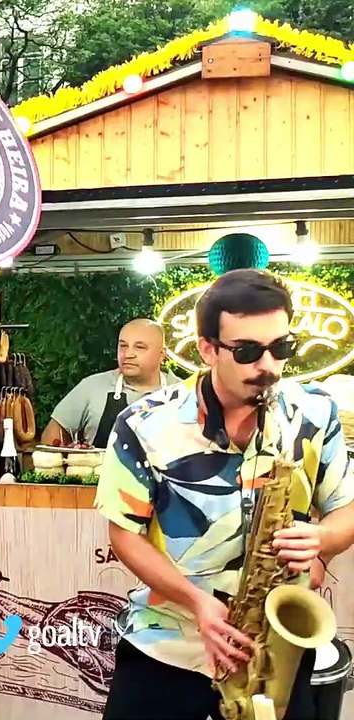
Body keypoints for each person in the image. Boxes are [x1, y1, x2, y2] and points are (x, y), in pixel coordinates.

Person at [97, 269, 354, 719]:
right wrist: (198, 602)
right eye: (248, 351)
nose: (269, 366)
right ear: (208, 349)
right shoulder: (143, 424)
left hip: (277, 656)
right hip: (169, 652)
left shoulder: (314, 413)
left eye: (282, 348)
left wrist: (322, 542)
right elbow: (125, 536)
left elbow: (347, 510)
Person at [42, 318, 181, 448]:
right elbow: (52, 436)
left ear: (162, 354)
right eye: (123, 346)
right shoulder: (91, 387)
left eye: (139, 347)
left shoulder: (185, 393)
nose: (127, 354)